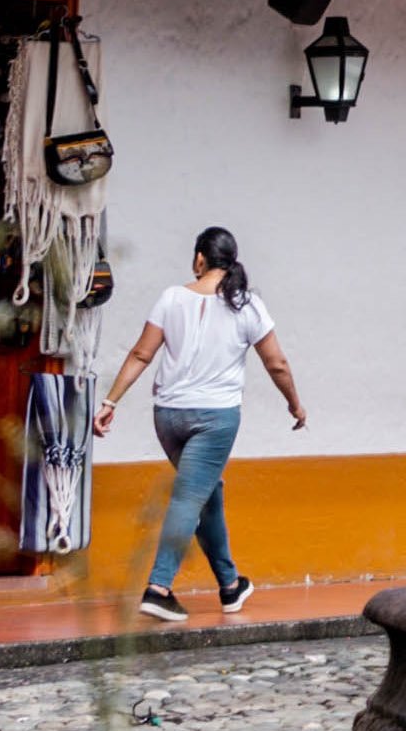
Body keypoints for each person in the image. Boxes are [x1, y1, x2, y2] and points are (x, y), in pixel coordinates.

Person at [92, 227, 303, 622]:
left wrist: (110, 401)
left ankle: (229, 585)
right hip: (215, 419)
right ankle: (158, 588)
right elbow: (277, 363)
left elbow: (141, 353)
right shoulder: (247, 304)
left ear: (200, 259)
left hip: (168, 416)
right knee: (190, 497)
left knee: (206, 493)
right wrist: (295, 405)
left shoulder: (172, 297)